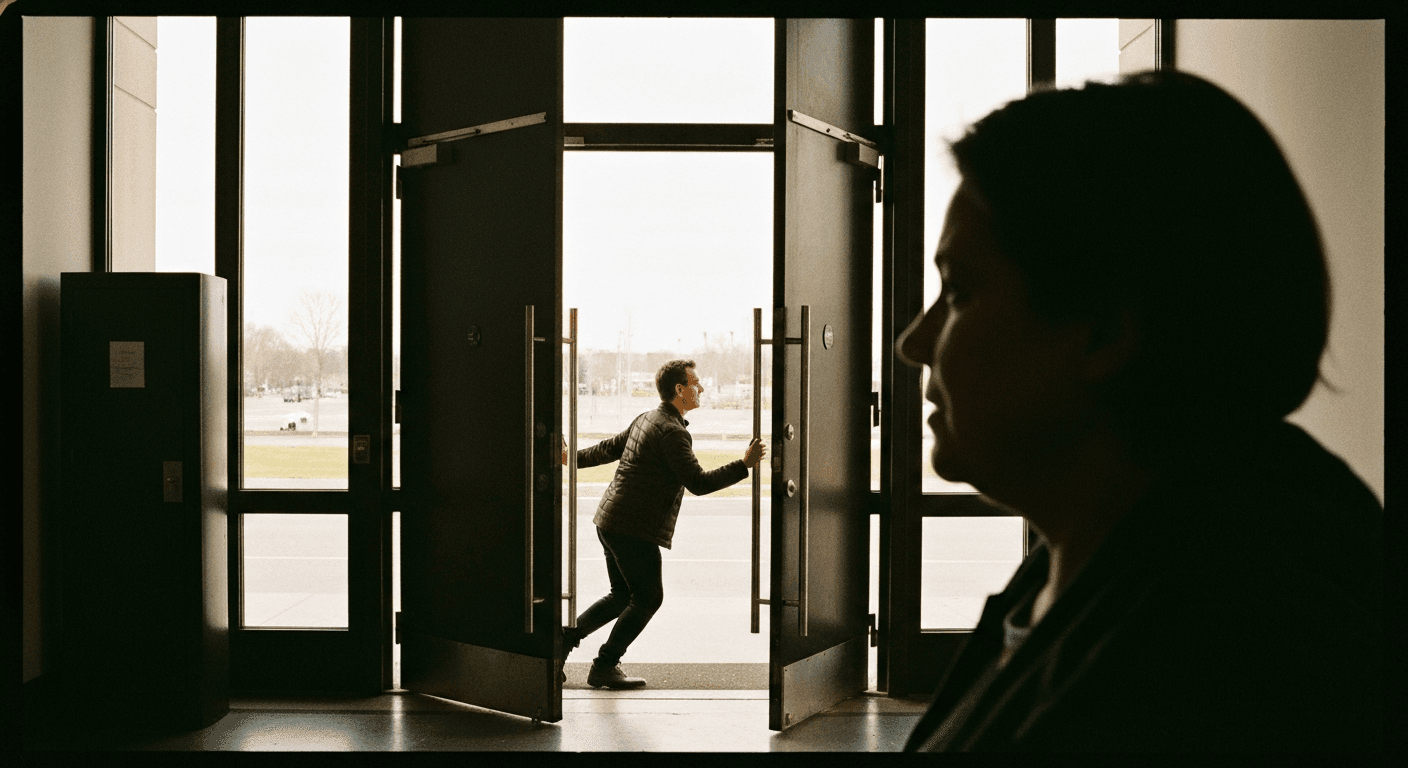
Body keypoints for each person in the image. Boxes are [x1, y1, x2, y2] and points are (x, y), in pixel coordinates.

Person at [896, 70, 1384, 751]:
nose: (914, 343)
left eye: (960, 292)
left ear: (1102, 333)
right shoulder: (1098, 559)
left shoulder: (1225, 656)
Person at [559, 359, 766, 689]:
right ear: (680, 390)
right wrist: (744, 465)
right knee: (648, 598)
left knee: (622, 595)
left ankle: (560, 644)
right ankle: (604, 665)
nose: (701, 388)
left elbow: (607, 449)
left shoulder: (647, 418)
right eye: (696, 383)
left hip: (610, 520)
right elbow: (698, 482)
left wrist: (569, 459)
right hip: (632, 527)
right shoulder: (672, 432)